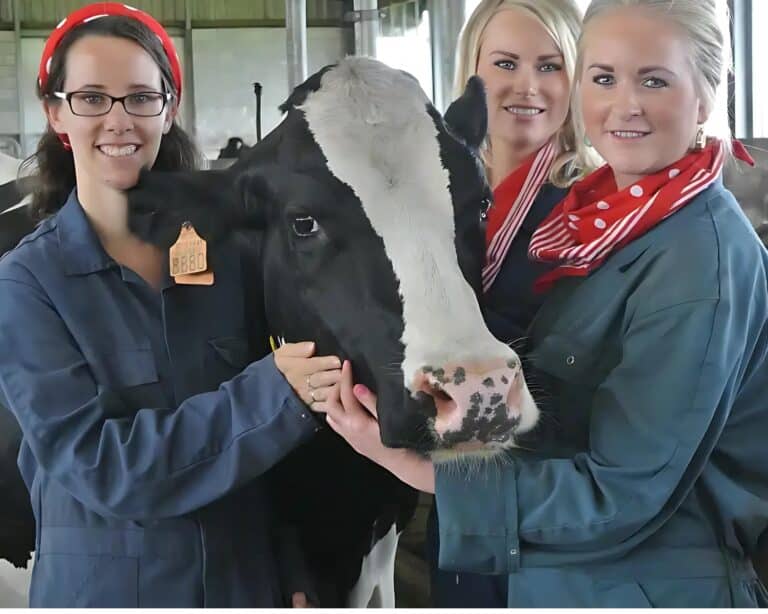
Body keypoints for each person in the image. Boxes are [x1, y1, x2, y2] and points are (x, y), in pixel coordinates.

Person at [314, 0, 768, 607]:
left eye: (653, 80)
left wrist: (417, 468)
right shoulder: (613, 225)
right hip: (554, 568)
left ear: (708, 97)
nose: (623, 104)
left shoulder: (697, 258)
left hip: (637, 582)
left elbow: (622, 491)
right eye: (603, 78)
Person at [0, 3, 340, 607]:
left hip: (243, 586)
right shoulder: (28, 284)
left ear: (169, 107)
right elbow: (99, 465)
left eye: (140, 97)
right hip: (107, 593)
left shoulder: (230, 260)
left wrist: (293, 564)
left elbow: (276, 464)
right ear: (56, 113)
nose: (118, 120)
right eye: (91, 98)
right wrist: (272, 394)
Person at [427, 0, 595, 606]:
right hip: (453, 489)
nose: (528, 86)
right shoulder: (434, 197)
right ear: (472, 73)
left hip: (548, 500)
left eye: (551, 66)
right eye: (505, 63)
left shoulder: (592, 207)